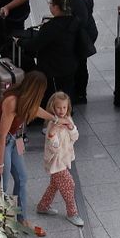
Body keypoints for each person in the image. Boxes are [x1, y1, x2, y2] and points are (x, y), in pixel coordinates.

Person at [0, 67, 51, 236]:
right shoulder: (12, 101)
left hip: (14, 140)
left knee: (22, 178)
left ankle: (22, 219)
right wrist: (0, 164)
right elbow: (1, 136)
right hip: (1, 143)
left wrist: (55, 119)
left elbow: (35, 110)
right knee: (2, 184)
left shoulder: (26, 100)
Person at [33, 92, 82, 227]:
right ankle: (72, 213)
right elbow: (53, 148)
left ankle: (43, 206)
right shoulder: (51, 125)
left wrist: (71, 128)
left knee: (54, 185)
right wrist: (52, 134)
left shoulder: (68, 120)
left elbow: (75, 137)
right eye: (59, 108)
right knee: (69, 184)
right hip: (56, 163)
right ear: (53, 108)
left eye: (64, 107)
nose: (62, 111)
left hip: (64, 160)